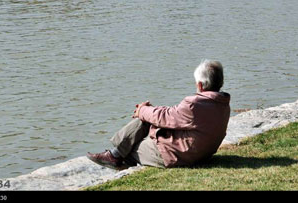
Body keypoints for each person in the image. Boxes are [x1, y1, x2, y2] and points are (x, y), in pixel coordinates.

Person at [87, 60, 231, 170]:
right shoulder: (222, 102)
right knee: (146, 120)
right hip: (200, 152)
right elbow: (174, 114)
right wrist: (148, 111)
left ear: (200, 85)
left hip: (179, 155)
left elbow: (167, 116)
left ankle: (115, 157)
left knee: (132, 146)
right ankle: (115, 155)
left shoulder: (194, 104)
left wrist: (142, 110)